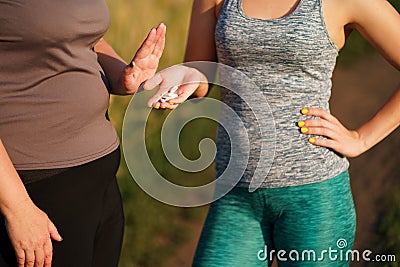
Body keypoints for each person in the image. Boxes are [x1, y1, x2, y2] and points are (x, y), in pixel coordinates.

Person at [145, 0, 400, 265]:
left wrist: (361, 138)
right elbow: (200, 72)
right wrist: (186, 78)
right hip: (235, 194)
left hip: (313, 198)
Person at [0, 1, 166, 266]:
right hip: (36, 191)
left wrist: (124, 75)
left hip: (99, 182)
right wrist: (17, 209)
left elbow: (87, 41)